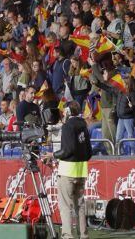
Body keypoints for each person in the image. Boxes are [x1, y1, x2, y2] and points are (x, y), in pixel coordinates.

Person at [44, 102, 92, 239]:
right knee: (80, 205)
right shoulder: (84, 125)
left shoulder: (67, 126)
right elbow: (89, 152)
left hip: (67, 172)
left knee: (65, 206)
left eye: (64, 111)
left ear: (68, 111)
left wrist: (52, 155)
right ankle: (83, 235)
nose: (63, 113)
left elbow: (67, 150)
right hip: (81, 171)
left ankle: (67, 236)